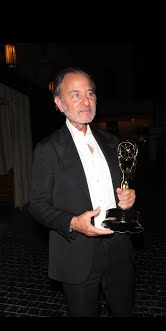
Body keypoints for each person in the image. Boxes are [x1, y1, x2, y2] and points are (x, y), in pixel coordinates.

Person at [29, 67, 137, 317]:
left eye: (90, 94)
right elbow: (37, 204)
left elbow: (122, 185)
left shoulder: (113, 143)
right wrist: (73, 222)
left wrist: (128, 196)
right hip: (76, 251)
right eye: (75, 94)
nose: (86, 101)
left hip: (119, 246)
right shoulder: (48, 149)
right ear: (59, 102)